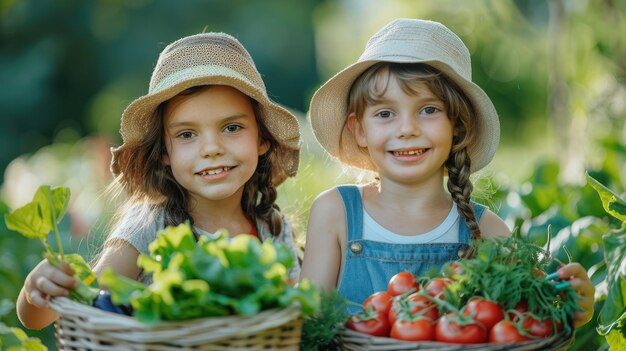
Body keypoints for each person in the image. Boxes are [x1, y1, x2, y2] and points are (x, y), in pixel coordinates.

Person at [300, 18, 594, 327]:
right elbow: (307, 327)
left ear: (457, 126)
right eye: (385, 113)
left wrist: (569, 308)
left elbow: (528, 329)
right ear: (358, 130)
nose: (407, 129)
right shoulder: (336, 214)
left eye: (429, 110)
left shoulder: (487, 232)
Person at [17, 32, 302, 330]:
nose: (211, 148)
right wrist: (34, 294)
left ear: (262, 140)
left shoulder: (272, 228)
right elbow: (79, 308)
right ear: (164, 152)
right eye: (187, 134)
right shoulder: (151, 224)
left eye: (231, 127)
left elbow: (293, 321)